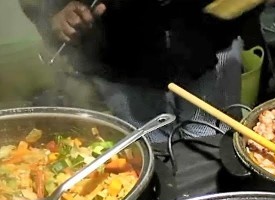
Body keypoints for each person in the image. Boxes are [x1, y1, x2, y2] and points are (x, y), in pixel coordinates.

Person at [20, 0, 249, 142]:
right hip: (119, 58)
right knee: (149, 153)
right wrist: (52, 13)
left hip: (213, 40)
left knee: (215, 143)